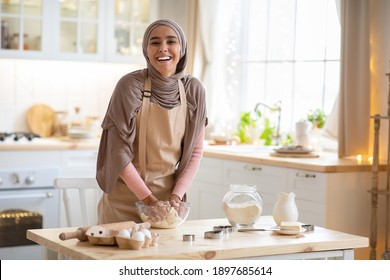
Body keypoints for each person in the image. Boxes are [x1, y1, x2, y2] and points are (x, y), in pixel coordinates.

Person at [96, 19, 207, 224]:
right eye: (155, 42)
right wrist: (148, 199)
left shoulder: (193, 89)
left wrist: (175, 197)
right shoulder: (130, 85)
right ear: (146, 50)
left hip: (167, 205)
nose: (163, 48)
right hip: (125, 202)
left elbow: (196, 152)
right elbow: (117, 151)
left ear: (181, 48)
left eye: (171, 41)